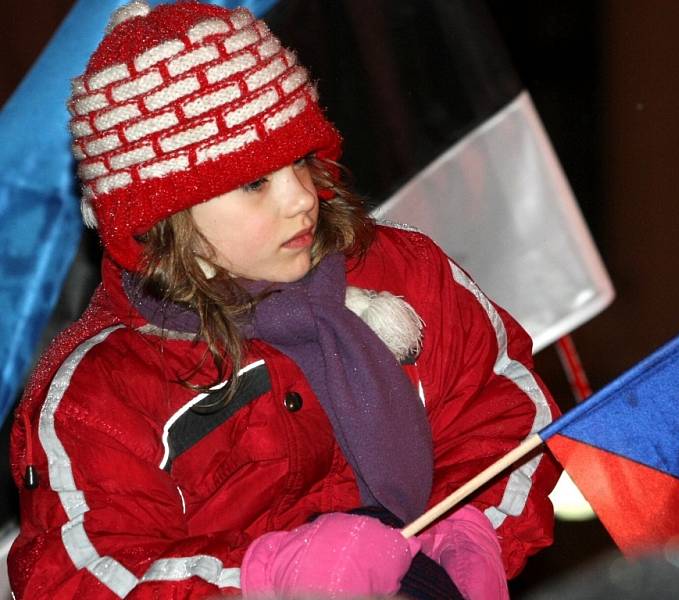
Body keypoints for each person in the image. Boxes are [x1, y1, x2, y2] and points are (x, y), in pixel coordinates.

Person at [8, 1, 561, 598]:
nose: (302, 197)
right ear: (162, 217)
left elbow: (505, 411)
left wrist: (474, 530)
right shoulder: (104, 391)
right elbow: (85, 574)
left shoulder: (408, 275)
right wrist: (267, 580)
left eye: (300, 160)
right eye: (254, 183)